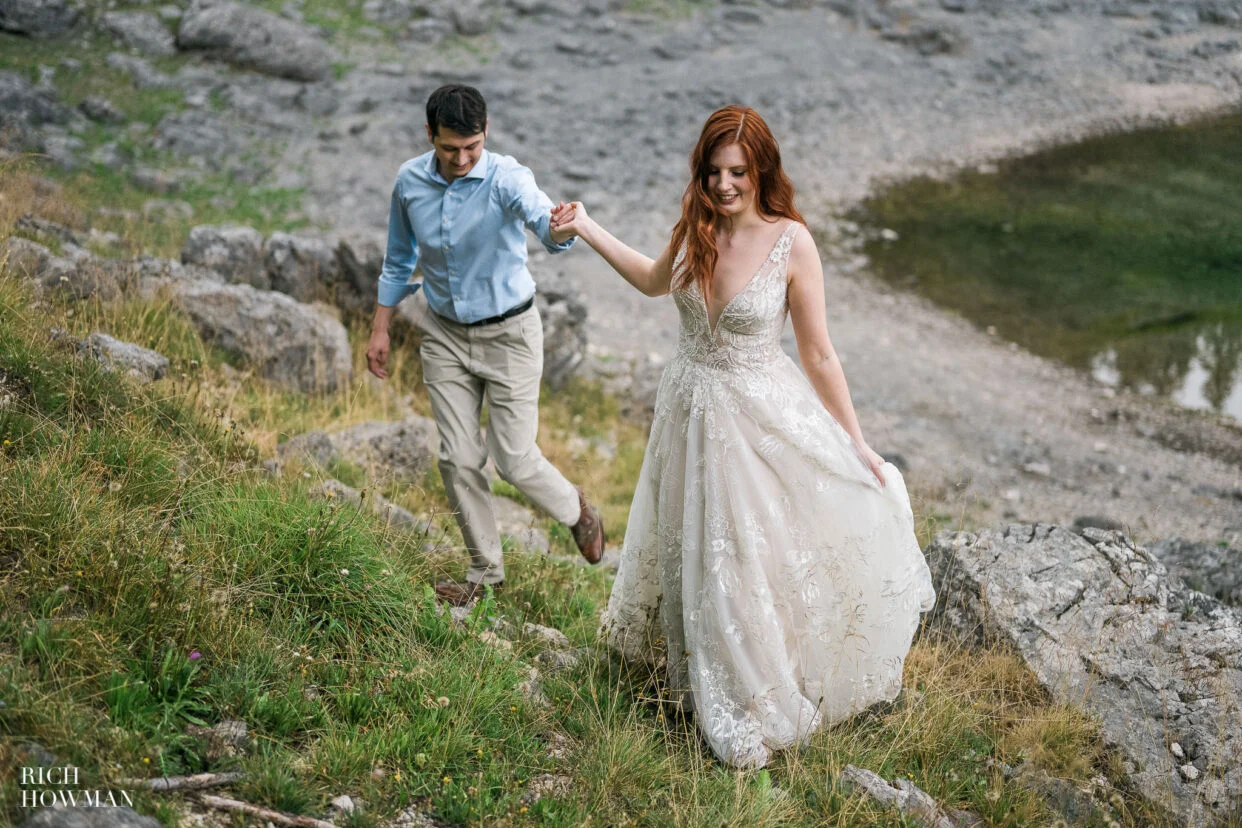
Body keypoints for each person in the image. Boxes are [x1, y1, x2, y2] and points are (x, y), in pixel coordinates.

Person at [549, 105, 936, 768]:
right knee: (691, 548)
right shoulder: (696, 227)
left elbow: (818, 353)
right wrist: (584, 226)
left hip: (755, 420)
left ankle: (749, 698)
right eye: (713, 171)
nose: (725, 185)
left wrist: (859, 442)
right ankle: (688, 669)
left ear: (761, 172)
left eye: (737, 172)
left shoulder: (792, 241)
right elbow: (649, 280)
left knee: (743, 561)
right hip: (688, 413)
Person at [366, 84, 605, 607]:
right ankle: (483, 575)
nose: (461, 158)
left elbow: (545, 222)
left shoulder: (507, 177)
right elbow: (399, 258)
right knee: (457, 457)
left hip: (511, 336)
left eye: (472, 147)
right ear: (430, 135)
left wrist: (561, 227)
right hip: (444, 335)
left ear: (486, 133)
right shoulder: (409, 182)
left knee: (514, 461)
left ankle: (576, 509)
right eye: (450, 148)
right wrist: (381, 326)